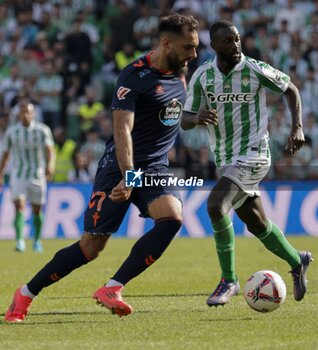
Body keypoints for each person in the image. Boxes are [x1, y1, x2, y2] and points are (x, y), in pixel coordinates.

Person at [4, 14, 199, 322]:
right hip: (119, 166)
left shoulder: (181, 71)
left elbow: (172, 113)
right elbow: (123, 132)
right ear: (166, 43)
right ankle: (25, 294)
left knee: (172, 217)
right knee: (90, 247)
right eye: (188, 47)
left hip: (156, 168)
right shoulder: (133, 76)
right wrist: (130, 176)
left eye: (195, 47)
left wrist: (196, 118)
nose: (194, 54)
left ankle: (113, 287)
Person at [181, 20, 312, 307]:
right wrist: (197, 117)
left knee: (216, 206)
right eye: (228, 41)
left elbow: (290, 88)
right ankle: (297, 260)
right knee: (257, 224)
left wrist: (297, 127)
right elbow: (185, 119)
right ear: (214, 46)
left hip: (255, 153)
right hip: (225, 159)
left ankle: (229, 280)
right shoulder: (203, 76)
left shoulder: (254, 69)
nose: (235, 45)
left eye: (237, 39)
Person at [0, 100, 55, 253]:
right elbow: (5, 154)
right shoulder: (12, 132)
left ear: (33, 114)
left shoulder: (42, 130)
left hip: (38, 174)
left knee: (37, 210)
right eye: (23, 112)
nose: (26, 115)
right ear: (18, 114)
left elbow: (50, 150)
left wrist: (50, 165)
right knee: (19, 206)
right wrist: (1, 172)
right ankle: (20, 241)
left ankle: (37, 241)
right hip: (18, 175)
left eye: (28, 112)